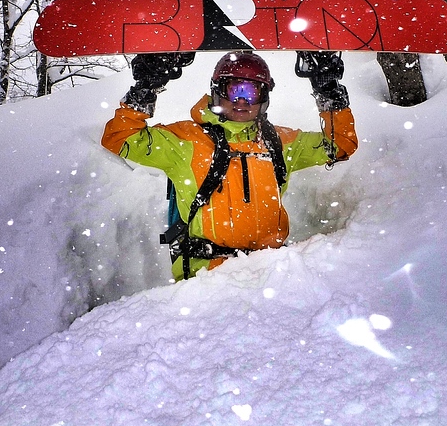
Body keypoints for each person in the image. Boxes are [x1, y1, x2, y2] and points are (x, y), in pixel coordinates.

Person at [101, 50, 358, 281]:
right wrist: (147, 86)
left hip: (273, 272)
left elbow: (340, 145)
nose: (242, 101)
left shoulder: (281, 142)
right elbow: (119, 138)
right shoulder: (185, 141)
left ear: (264, 97)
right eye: (235, 89)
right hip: (207, 279)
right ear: (218, 91)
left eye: (252, 91)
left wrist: (329, 92)